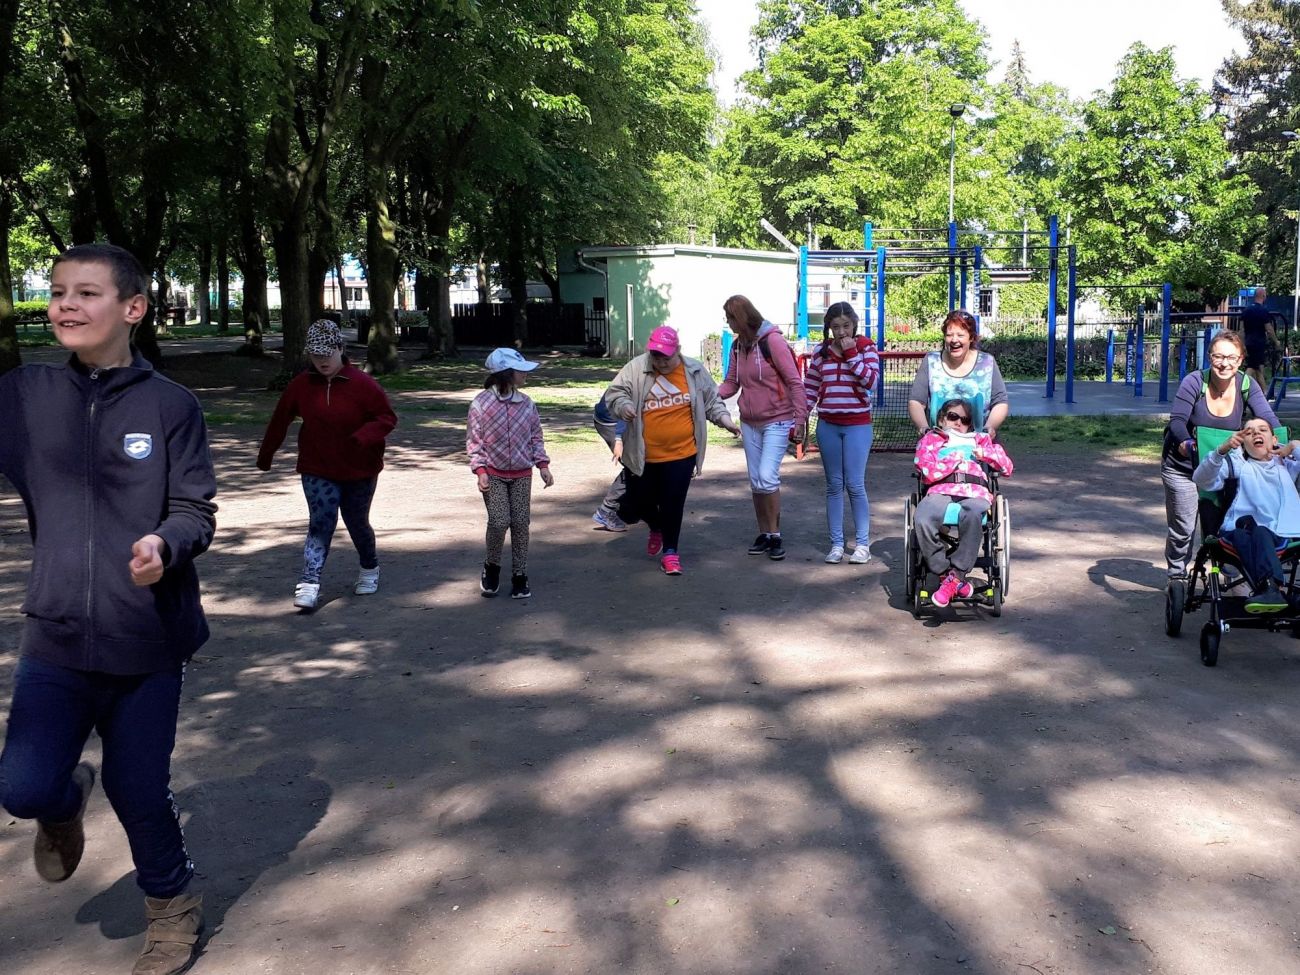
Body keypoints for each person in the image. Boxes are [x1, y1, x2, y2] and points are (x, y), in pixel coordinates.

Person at [0, 243, 216, 975]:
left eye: (86, 292)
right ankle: (63, 804)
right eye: (58, 290)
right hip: (56, 631)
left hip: (145, 637)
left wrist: (164, 542)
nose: (66, 303)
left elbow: (195, 509)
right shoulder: (24, 395)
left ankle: (173, 905)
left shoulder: (171, 406)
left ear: (133, 308)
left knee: (138, 788)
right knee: (24, 786)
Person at [257, 319, 398, 610]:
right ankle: (309, 583)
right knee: (321, 522)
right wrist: (266, 454)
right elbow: (280, 420)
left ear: (340, 349)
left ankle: (369, 567)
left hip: (360, 468)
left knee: (356, 521)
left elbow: (386, 418)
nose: (322, 361)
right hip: (317, 466)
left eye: (327, 354)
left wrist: (363, 437)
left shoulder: (363, 384)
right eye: (315, 355)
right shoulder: (300, 386)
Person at [604, 325, 741, 575]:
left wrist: (726, 421)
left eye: (666, 357)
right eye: (656, 357)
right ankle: (656, 526)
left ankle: (670, 553)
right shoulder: (636, 368)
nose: (661, 362)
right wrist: (624, 406)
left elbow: (712, 401)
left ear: (678, 350)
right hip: (643, 454)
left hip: (682, 453)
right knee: (637, 503)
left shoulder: (694, 370)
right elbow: (615, 394)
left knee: (673, 503)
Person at [1162, 329, 1280, 581]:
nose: (1224, 363)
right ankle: (1177, 576)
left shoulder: (1247, 385)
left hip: (1223, 470)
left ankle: (1230, 572)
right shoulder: (1195, 381)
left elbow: (1267, 418)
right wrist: (1185, 442)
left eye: (1231, 357)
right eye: (1218, 356)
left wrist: (1280, 441)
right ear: (1210, 357)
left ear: (1240, 360)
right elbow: (1177, 421)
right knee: (1183, 528)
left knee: (1226, 524)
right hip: (1184, 466)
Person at [717, 294, 808, 560]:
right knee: (756, 481)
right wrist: (707, 394)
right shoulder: (738, 346)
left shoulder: (772, 341)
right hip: (750, 421)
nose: (728, 323)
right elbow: (731, 384)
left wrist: (800, 420)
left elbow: (795, 382)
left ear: (742, 317)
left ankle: (776, 535)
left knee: (767, 476)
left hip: (777, 419)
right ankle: (764, 534)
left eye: (730, 318)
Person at [466, 347, 554, 599]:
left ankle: (520, 574)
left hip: (521, 473)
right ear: (506, 373)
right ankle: (492, 566)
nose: (525, 375)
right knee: (498, 521)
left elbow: (536, 436)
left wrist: (543, 465)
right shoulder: (481, 404)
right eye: (520, 370)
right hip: (492, 472)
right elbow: (474, 441)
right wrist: (480, 470)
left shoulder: (526, 404)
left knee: (521, 523)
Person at [913, 398, 1014, 608]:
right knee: (922, 517)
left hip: (974, 491)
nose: (959, 423)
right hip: (940, 490)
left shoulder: (981, 440)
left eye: (965, 419)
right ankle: (945, 574)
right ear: (942, 419)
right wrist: (953, 459)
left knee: (973, 513)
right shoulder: (931, 440)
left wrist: (986, 455)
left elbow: (1007, 468)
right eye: (953, 417)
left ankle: (956, 574)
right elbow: (926, 471)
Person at [1193, 418, 1300, 612]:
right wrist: (1220, 451)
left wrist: (1293, 445)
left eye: (1263, 430)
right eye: (1249, 433)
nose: (1256, 433)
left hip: (1282, 534)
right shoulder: (1237, 464)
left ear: (1274, 439)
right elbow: (1201, 480)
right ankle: (1272, 589)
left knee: (1261, 531)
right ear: (1243, 443)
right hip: (1238, 533)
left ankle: (1270, 591)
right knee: (1253, 530)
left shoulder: (1287, 465)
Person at [802, 301, 881, 564]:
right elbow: (811, 387)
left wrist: (851, 355)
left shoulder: (866, 347)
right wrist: (800, 416)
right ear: (829, 327)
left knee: (855, 484)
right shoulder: (821, 351)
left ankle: (862, 545)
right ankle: (836, 544)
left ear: (854, 325)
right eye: (835, 327)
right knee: (834, 485)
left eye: (846, 326)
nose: (841, 332)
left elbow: (871, 381)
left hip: (858, 424)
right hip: (828, 424)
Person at [907, 308, 1009, 436]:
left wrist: (989, 428)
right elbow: (916, 401)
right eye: (949, 335)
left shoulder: (987, 362)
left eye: (960, 335)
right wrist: (924, 428)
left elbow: (1000, 402)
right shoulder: (931, 361)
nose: (954, 340)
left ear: (971, 337)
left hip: (978, 441)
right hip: (938, 440)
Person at [590, 397, 628, 532]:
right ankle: (606, 511)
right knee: (635, 466)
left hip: (625, 417)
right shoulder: (636, 384)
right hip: (612, 420)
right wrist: (619, 438)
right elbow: (627, 401)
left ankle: (635, 506)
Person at [1238, 286, 1279, 388]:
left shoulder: (1246, 310)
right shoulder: (1263, 311)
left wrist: (1241, 344)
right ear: (1263, 296)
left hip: (1248, 342)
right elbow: (1269, 329)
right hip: (1259, 343)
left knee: (1259, 368)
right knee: (1253, 367)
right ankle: (1241, 387)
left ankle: (1260, 392)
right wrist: (1276, 341)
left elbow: (1241, 330)